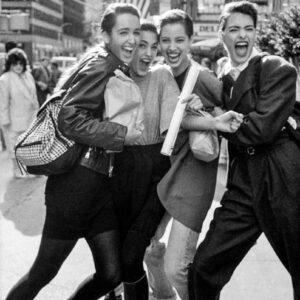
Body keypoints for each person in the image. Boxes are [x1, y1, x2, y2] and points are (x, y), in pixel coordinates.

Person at [5, 3, 142, 300]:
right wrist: (122, 135)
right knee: (43, 272)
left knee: (110, 274)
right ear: (106, 35)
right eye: (123, 32)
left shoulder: (112, 63)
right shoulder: (102, 65)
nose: (131, 39)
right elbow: (70, 118)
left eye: (135, 31)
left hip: (98, 189)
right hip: (75, 189)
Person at [188, 1, 300, 300]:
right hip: (243, 182)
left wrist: (219, 122)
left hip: (283, 175)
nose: (243, 35)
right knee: (204, 266)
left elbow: (262, 129)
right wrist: (209, 115)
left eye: (249, 29)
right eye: (234, 29)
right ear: (221, 33)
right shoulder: (221, 79)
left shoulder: (277, 68)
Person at [144, 9, 240, 300]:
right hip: (163, 175)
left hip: (195, 176)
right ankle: (164, 296)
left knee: (176, 267)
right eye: (166, 40)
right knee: (147, 248)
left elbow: (233, 116)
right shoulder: (156, 75)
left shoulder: (203, 77)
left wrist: (206, 109)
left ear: (190, 40)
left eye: (180, 40)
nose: (172, 47)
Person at [0, 48, 39, 178]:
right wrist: (4, 120)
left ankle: (29, 169)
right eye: (15, 63)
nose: (18, 66)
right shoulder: (5, 79)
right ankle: (17, 171)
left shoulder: (28, 75)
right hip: (13, 119)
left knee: (29, 146)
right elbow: (3, 102)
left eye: (20, 63)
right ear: (9, 64)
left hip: (30, 117)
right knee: (14, 147)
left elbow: (34, 97)